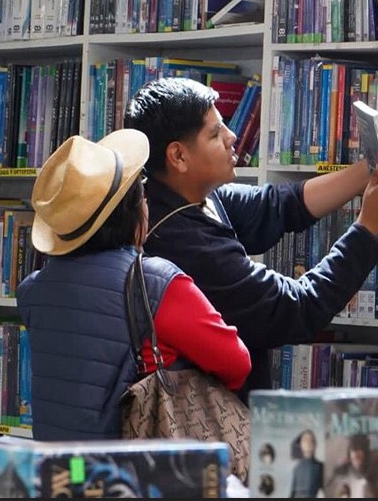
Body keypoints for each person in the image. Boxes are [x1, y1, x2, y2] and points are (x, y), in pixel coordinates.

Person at [123, 78, 378, 396]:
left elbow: (281, 205)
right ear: (178, 156)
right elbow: (298, 308)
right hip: (206, 426)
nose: (233, 137)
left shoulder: (185, 196)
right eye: (215, 134)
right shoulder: (185, 244)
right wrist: (369, 224)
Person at [15, 131, 251, 441]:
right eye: (141, 193)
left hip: (61, 471)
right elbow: (237, 364)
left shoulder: (34, 291)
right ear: (132, 211)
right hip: (129, 472)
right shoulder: (155, 284)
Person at [328, 434, 377, 498]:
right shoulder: (341, 473)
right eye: (354, 458)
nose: (356, 457)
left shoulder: (371, 473)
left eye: (359, 457)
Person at [289, 429, 324, 498]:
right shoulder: (297, 468)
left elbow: (329, 491)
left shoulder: (320, 467)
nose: (308, 443)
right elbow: (292, 494)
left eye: (311, 440)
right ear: (301, 445)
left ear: (315, 444)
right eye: (305, 440)